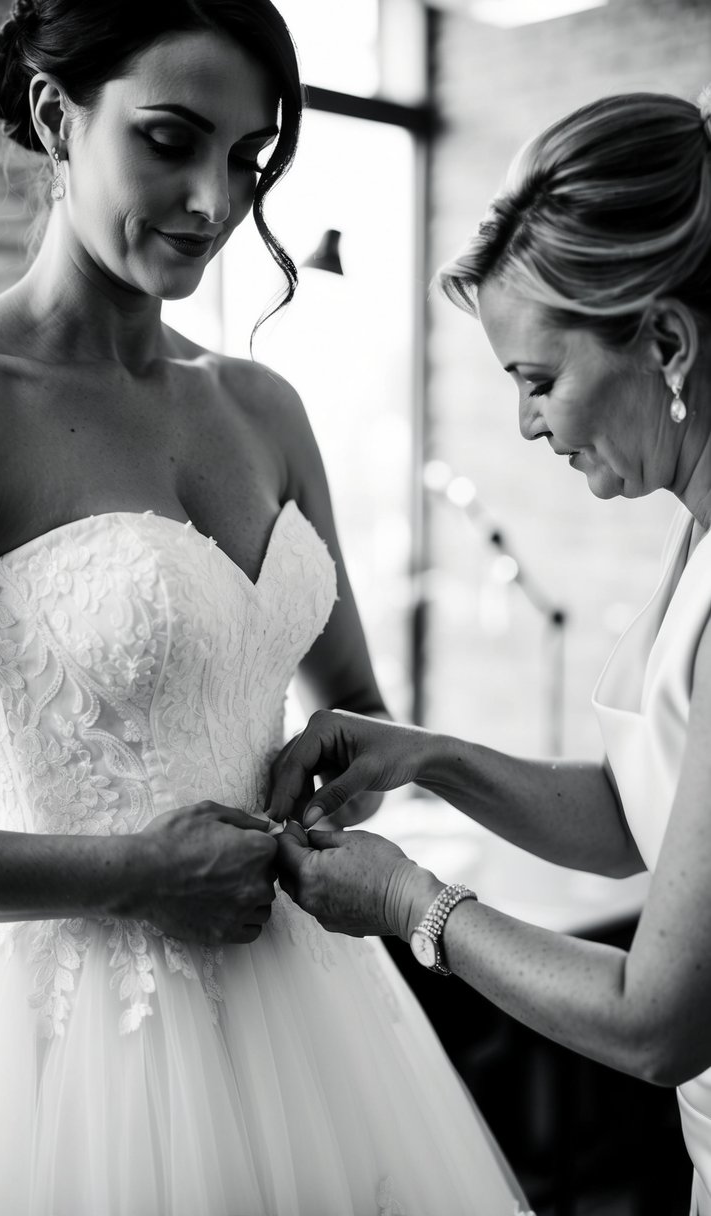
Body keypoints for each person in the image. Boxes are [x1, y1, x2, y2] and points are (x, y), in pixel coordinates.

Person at [0, 2, 532, 1213]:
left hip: (311, 1007)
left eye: (249, 157)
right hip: (70, 1063)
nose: (214, 201)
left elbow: (356, 710)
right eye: (171, 141)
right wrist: (135, 869)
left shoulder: (266, 407)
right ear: (53, 117)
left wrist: (342, 778)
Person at [269, 88, 711, 1214]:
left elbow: (659, 1022)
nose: (527, 425)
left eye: (537, 380)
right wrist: (431, 758)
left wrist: (412, 901)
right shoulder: (694, 532)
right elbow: (638, 819)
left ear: (664, 339)